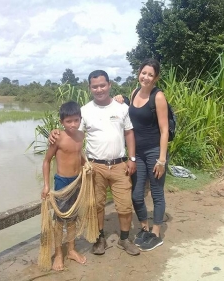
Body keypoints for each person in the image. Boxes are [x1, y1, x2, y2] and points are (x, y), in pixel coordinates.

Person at [49, 70, 140, 256]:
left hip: (120, 165)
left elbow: (129, 133)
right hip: (94, 166)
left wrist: (132, 158)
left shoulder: (122, 108)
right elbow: (72, 132)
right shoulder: (84, 111)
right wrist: (54, 132)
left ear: (109, 85)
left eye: (102, 85)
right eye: (94, 86)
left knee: (124, 205)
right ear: (90, 88)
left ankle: (124, 239)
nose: (99, 89)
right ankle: (100, 239)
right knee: (96, 205)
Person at [115, 58, 168, 251]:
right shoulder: (135, 92)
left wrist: (161, 160)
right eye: (143, 73)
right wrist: (121, 100)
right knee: (137, 195)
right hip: (137, 153)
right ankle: (144, 228)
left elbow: (164, 130)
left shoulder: (158, 96)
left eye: (150, 75)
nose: (146, 77)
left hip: (154, 152)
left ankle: (156, 233)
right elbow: (130, 118)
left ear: (156, 78)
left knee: (156, 192)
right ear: (139, 73)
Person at [41, 101, 87, 270]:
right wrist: (46, 186)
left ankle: (72, 250)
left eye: (76, 120)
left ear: (80, 119)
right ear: (62, 122)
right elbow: (46, 161)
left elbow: (78, 154)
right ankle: (59, 254)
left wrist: (86, 166)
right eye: (69, 121)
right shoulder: (57, 137)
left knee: (73, 218)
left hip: (76, 181)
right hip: (62, 182)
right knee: (60, 220)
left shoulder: (81, 136)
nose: (73, 124)